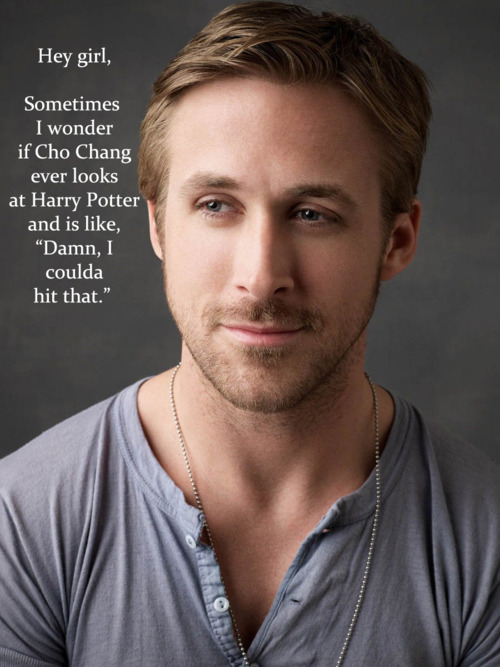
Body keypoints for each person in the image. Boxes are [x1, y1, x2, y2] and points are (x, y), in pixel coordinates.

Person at [1, 2, 499, 665]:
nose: (260, 279)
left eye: (312, 213)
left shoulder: (485, 541)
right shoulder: (21, 522)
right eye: (216, 205)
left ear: (397, 240)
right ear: (157, 225)